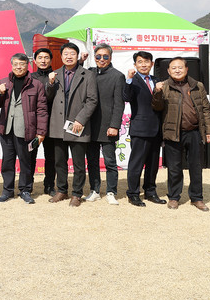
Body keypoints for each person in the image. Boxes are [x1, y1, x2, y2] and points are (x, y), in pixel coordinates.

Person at [152, 57, 210, 212]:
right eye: (173, 68)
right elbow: (157, 107)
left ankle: (197, 198)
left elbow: (205, 110)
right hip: (173, 133)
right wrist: (157, 92)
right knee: (174, 168)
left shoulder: (197, 86)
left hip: (194, 132)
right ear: (168, 71)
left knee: (196, 167)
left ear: (186, 69)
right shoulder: (163, 86)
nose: (177, 70)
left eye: (180, 67)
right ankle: (174, 197)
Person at [45, 42, 98, 207]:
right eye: (66, 54)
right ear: (61, 56)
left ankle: (77, 193)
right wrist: (50, 84)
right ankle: (61, 190)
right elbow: (48, 98)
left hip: (77, 125)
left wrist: (80, 119)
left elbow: (92, 100)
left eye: (72, 53)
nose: (69, 57)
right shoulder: (55, 74)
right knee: (59, 161)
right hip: (58, 125)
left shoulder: (87, 75)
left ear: (77, 56)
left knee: (78, 163)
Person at [0, 52, 48, 205]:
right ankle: (7, 190)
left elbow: (42, 110)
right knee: (7, 162)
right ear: (12, 65)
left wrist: (41, 132)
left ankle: (25, 190)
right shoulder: (3, 82)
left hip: (26, 130)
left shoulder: (36, 85)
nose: (19, 67)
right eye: (16, 64)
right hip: (7, 129)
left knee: (26, 162)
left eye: (22, 64)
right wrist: (0, 93)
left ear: (27, 65)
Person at [122, 51, 166, 207]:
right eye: (140, 62)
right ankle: (133, 194)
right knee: (136, 164)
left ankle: (150, 191)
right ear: (135, 65)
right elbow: (126, 97)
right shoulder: (132, 80)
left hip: (156, 129)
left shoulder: (157, 80)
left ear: (152, 64)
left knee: (153, 164)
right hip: (140, 128)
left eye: (146, 62)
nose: (143, 65)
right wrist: (128, 79)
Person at [87, 43, 125, 205]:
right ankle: (95, 190)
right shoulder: (89, 72)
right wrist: (80, 61)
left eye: (105, 56)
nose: (101, 59)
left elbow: (119, 104)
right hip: (90, 125)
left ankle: (111, 191)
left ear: (110, 57)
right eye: (98, 56)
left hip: (108, 126)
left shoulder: (118, 76)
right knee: (92, 161)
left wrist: (114, 125)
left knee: (110, 162)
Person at [31, 48, 57, 196]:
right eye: (40, 57)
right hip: (34, 124)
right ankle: (28, 186)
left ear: (51, 60)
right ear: (35, 60)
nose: (43, 60)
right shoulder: (30, 77)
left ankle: (49, 186)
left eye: (46, 57)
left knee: (51, 157)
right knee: (30, 156)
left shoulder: (57, 76)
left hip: (52, 123)